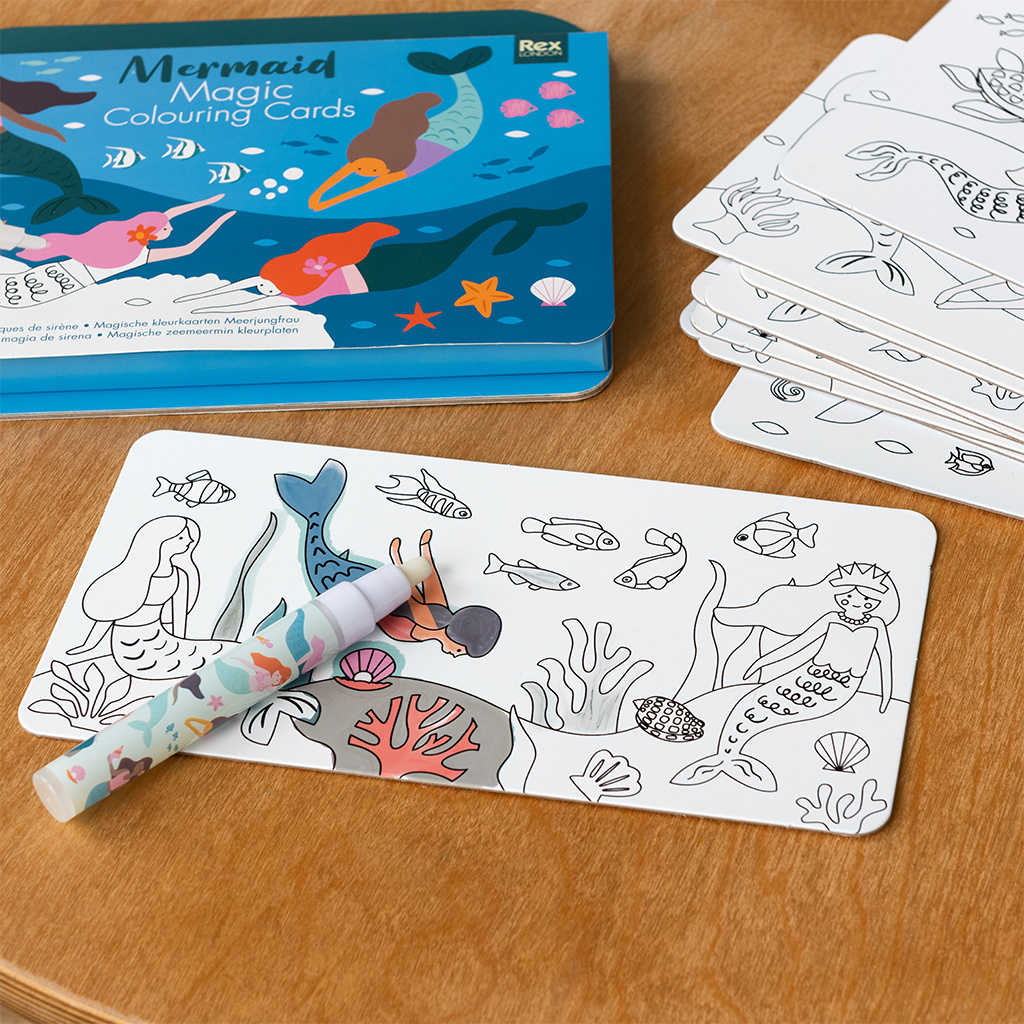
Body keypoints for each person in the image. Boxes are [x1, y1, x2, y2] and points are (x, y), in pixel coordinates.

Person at [308, 46, 491, 210]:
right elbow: (345, 179)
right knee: (462, 115)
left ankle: (459, 75)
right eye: (360, 168)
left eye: (371, 170)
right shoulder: (366, 157)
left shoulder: (395, 167)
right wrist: (317, 196)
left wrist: (326, 202)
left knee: (466, 114)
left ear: (386, 169)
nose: (364, 172)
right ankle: (458, 74)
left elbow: (364, 188)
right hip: (445, 138)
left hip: (448, 139)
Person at [66, 516, 234, 682]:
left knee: (223, 651)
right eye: (181, 537)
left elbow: (179, 616)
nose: (190, 540)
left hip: (162, 639)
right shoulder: (131, 575)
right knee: (221, 657)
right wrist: (89, 646)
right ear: (161, 542)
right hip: (131, 647)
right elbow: (109, 614)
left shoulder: (179, 575)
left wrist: (180, 643)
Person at [378, 529, 500, 658]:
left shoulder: (437, 622)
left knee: (435, 605)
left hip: (387, 612)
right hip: (385, 604)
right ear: (458, 637)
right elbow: (408, 596)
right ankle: (405, 558)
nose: (455, 655)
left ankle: (415, 554)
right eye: (459, 650)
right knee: (432, 604)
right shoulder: (435, 622)